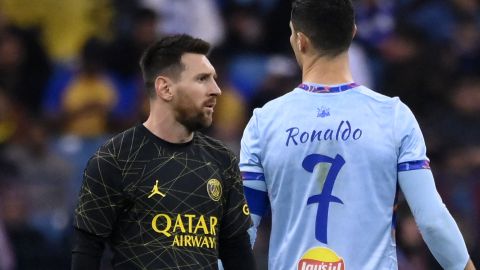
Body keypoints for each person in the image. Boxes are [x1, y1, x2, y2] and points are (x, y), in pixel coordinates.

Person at [239, 1, 477, 270]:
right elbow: (432, 220)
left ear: (300, 40)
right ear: (353, 32)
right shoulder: (393, 117)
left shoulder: (265, 121)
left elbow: (243, 229)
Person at [71, 34, 256, 270]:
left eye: (214, 79)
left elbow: (237, 251)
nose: (216, 90)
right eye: (202, 79)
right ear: (165, 88)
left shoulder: (222, 159)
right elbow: (87, 250)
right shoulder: (114, 158)